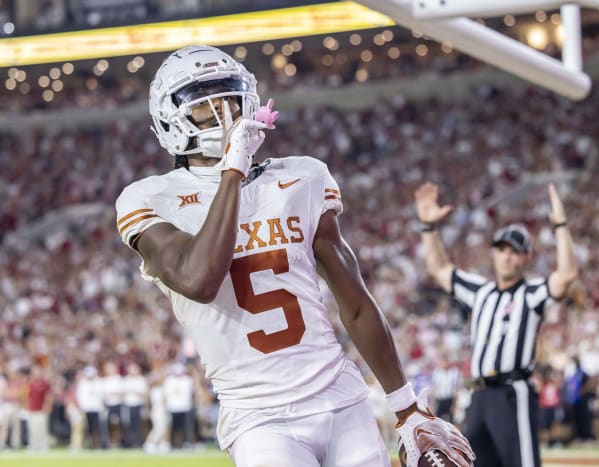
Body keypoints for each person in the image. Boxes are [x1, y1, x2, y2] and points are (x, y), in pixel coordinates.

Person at [115, 45, 474, 467]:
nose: (224, 113)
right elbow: (200, 280)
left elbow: (355, 303)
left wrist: (406, 406)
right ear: (170, 121)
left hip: (342, 398)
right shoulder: (151, 198)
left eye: (229, 98)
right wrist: (233, 171)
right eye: (204, 105)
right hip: (259, 417)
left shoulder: (301, 176)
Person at [414, 181, 578, 467]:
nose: (507, 256)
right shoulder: (481, 292)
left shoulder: (531, 293)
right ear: (493, 253)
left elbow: (565, 275)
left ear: (527, 257)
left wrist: (560, 225)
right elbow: (440, 270)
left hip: (512, 392)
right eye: (501, 249)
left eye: (514, 251)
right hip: (480, 395)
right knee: (475, 463)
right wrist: (428, 228)